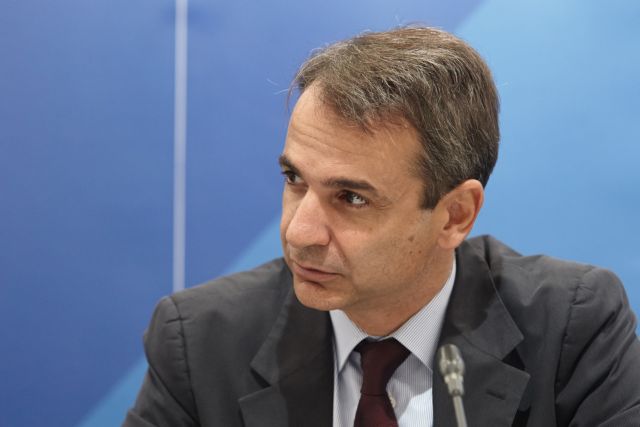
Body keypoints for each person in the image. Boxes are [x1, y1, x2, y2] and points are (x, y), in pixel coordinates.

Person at [123, 27, 640, 427]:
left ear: (455, 215)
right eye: (295, 180)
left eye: (351, 198)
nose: (300, 233)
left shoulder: (569, 329)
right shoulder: (200, 344)